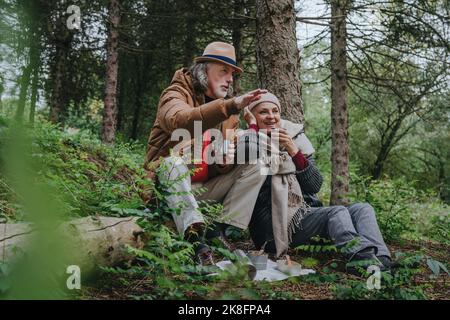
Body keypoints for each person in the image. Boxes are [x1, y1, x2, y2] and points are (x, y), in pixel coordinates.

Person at [243, 91, 395, 275]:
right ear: (252, 116)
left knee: (363, 208)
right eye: (263, 112)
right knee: (336, 212)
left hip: (307, 215)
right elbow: (248, 161)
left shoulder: (293, 139)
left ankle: (383, 261)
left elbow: (314, 186)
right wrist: (253, 129)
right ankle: (362, 260)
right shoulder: (247, 142)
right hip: (274, 227)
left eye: (275, 111)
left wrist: (294, 151)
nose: (271, 116)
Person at [144, 41, 267, 265]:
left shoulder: (229, 114)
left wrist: (223, 162)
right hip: (166, 191)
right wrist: (230, 106)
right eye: (224, 71)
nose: (230, 79)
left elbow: (215, 164)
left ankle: (217, 229)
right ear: (204, 70)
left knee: (257, 165)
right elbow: (178, 120)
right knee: (171, 162)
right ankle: (195, 241)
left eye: (232, 74)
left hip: (201, 191)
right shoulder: (176, 93)